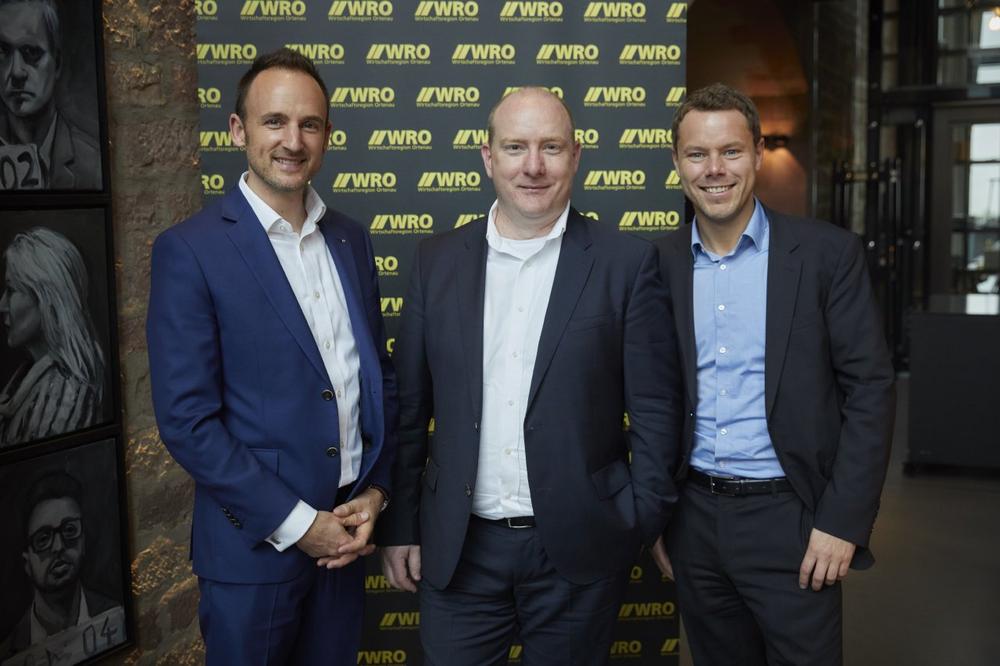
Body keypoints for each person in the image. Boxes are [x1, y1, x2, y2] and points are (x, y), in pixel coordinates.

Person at [377, 87, 682, 666]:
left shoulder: (625, 263)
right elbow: (410, 411)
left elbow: (656, 411)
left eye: (551, 147)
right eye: (515, 147)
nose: (533, 166)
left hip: (582, 548)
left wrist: (637, 520)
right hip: (459, 548)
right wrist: (400, 528)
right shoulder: (435, 261)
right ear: (488, 157)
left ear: (576, 156)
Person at [146, 48, 397, 666]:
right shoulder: (190, 250)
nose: (293, 141)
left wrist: (378, 492)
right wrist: (299, 525)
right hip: (254, 554)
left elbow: (375, 380)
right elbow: (187, 421)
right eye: (274, 121)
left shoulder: (350, 238)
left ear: (327, 135)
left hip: (347, 538)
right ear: (238, 130)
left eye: (309, 124)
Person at [651, 83, 895, 665]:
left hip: (794, 520)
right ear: (677, 162)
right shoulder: (656, 263)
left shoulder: (827, 255)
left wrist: (843, 522)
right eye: (697, 154)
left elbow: (870, 390)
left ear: (759, 153)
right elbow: (646, 395)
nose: (714, 169)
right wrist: (654, 516)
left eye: (731, 151)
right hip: (692, 520)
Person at [0, 471, 125, 658]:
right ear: (27, 562)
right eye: (43, 539)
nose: (58, 546)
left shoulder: (118, 616)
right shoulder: (9, 653)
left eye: (69, 530)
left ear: (83, 541)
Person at [0, 226, 105, 447]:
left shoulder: (65, 395)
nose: (2, 306)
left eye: (11, 290)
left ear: (47, 298)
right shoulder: (25, 383)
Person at [0, 0, 101, 190]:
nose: (16, 72)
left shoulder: (93, 165)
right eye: (2, 52)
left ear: (58, 63)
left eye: (31, 52)